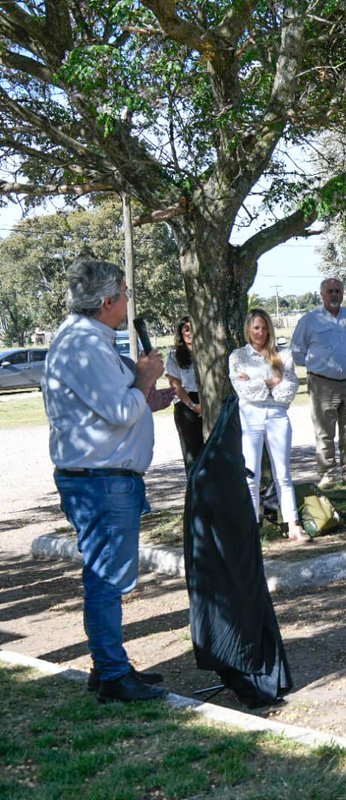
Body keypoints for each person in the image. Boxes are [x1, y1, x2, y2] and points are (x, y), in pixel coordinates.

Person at [44, 257, 171, 703]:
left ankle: (109, 665)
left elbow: (116, 408)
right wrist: (144, 377)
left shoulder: (92, 342)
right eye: (125, 293)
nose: (128, 302)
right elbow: (119, 410)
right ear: (107, 302)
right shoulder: (86, 346)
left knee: (107, 576)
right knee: (106, 578)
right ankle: (114, 677)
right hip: (101, 481)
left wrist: (152, 397)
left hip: (104, 476)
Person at [229, 309, 303, 539]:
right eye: (256, 328)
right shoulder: (238, 356)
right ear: (248, 331)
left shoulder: (284, 354)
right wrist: (271, 382)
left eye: (264, 327)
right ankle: (252, 526)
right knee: (251, 474)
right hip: (250, 416)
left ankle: (292, 523)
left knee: (283, 473)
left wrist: (260, 384)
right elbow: (243, 390)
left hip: (278, 415)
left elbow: (289, 390)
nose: (260, 333)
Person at [290, 277, 346, 490]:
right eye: (330, 291)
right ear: (322, 295)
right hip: (322, 384)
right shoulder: (310, 320)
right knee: (324, 433)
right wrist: (317, 367)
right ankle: (327, 474)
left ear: (342, 293)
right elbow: (297, 350)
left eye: (337, 291)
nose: (334, 294)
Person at [165, 316, 203, 470]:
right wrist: (193, 406)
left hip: (206, 400)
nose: (189, 332)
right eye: (186, 329)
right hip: (186, 404)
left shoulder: (206, 351)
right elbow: (176, 385)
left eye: (192, 328)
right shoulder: (174, 355)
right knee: (192, 453)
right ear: (181, 333)